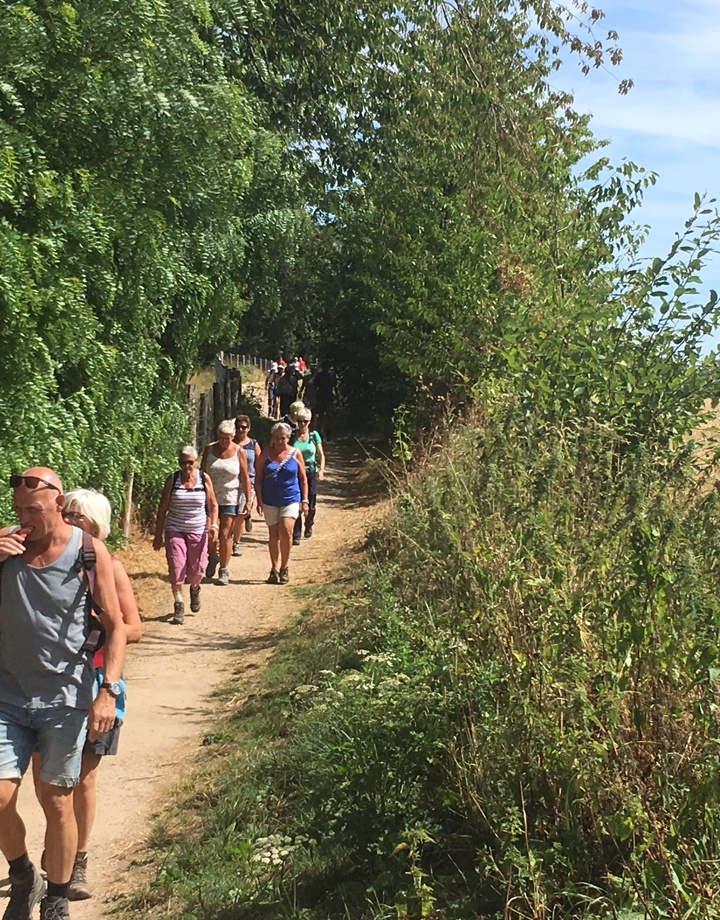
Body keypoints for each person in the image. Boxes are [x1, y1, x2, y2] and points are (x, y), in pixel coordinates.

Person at [0, 467, 125, 920]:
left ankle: (56, 898)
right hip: (7, 695)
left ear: (58, 502)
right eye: (18, 509)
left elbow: (116, 627)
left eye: (33, 509)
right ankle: (23, 875)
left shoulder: (88, 551)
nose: (24, 518)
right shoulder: (6, 547)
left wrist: (107, 692)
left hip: (66, 697)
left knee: (56, 802)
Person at [33, 489, 142, 901]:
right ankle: (56, 843)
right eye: (67, 514)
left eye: (77, 515)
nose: (69, 520)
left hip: (97, 682)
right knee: (46, 780)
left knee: (83, 778)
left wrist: (98, 624)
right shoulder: (45, 564)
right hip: (51, 683)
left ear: (96, 524)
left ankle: (77, 858)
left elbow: (133, 627)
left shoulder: (110, 567)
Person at [153, 447, 219, 622]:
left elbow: (213, 504)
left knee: (197, 570)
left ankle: (195, 588)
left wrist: (214, 525)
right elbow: (163, 508)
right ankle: (179, 603)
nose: (187, 466)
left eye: (190, 462)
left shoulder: (204, 479)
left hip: (198, 529)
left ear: (196, 462)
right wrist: (158, 535)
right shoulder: (173, 480)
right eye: (183, 462)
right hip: (175, 528)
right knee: (177, 566)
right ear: (179, 463)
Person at [255, 423, 309, 585]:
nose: (280, 441)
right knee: (273, 534)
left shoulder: (296, 453)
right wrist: (259, 500)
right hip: (270, 499)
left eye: (283, 438)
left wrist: (305, 500)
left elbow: (303, 479)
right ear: (272, 438)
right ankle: (274, 568)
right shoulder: (265, 454)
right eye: (277, 438)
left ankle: (284, 567)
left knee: (286, 530)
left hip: (291, 498)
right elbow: (258, 478)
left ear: (288, 438)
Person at [200, 421, 251, 585]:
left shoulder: (239, 451)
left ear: (233, 437)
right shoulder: (209, 449)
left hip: (230, 497)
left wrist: (248, 500)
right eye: (221, 437)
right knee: (210, 533)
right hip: (210, 497)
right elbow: (201, 473)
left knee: (225, 534)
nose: (223, 441)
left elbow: (245, 477)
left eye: (227, 438)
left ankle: (224, 569)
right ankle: (213, 557)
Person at [292, 407, 326, 544]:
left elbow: (321, 455)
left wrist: (321, 470)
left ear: (309, 421)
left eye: (305, 421)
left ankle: (309, 523)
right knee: (297, 502)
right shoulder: (293, 436)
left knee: (311, 502)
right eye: (300, 421)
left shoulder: (314, 436)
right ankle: (296, 534)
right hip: (296, 472)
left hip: (311, 471)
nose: (302, 424)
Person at [232, 415, 261, 555]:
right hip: (232, 482)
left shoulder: (253, 445)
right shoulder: (230, 443)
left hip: (249, 482)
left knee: (240, 513)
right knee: (231, 513)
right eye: (238, 427)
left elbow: (259, 465)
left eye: (243, 427)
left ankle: (236, 542)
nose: (240, 430)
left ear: (248, 428)